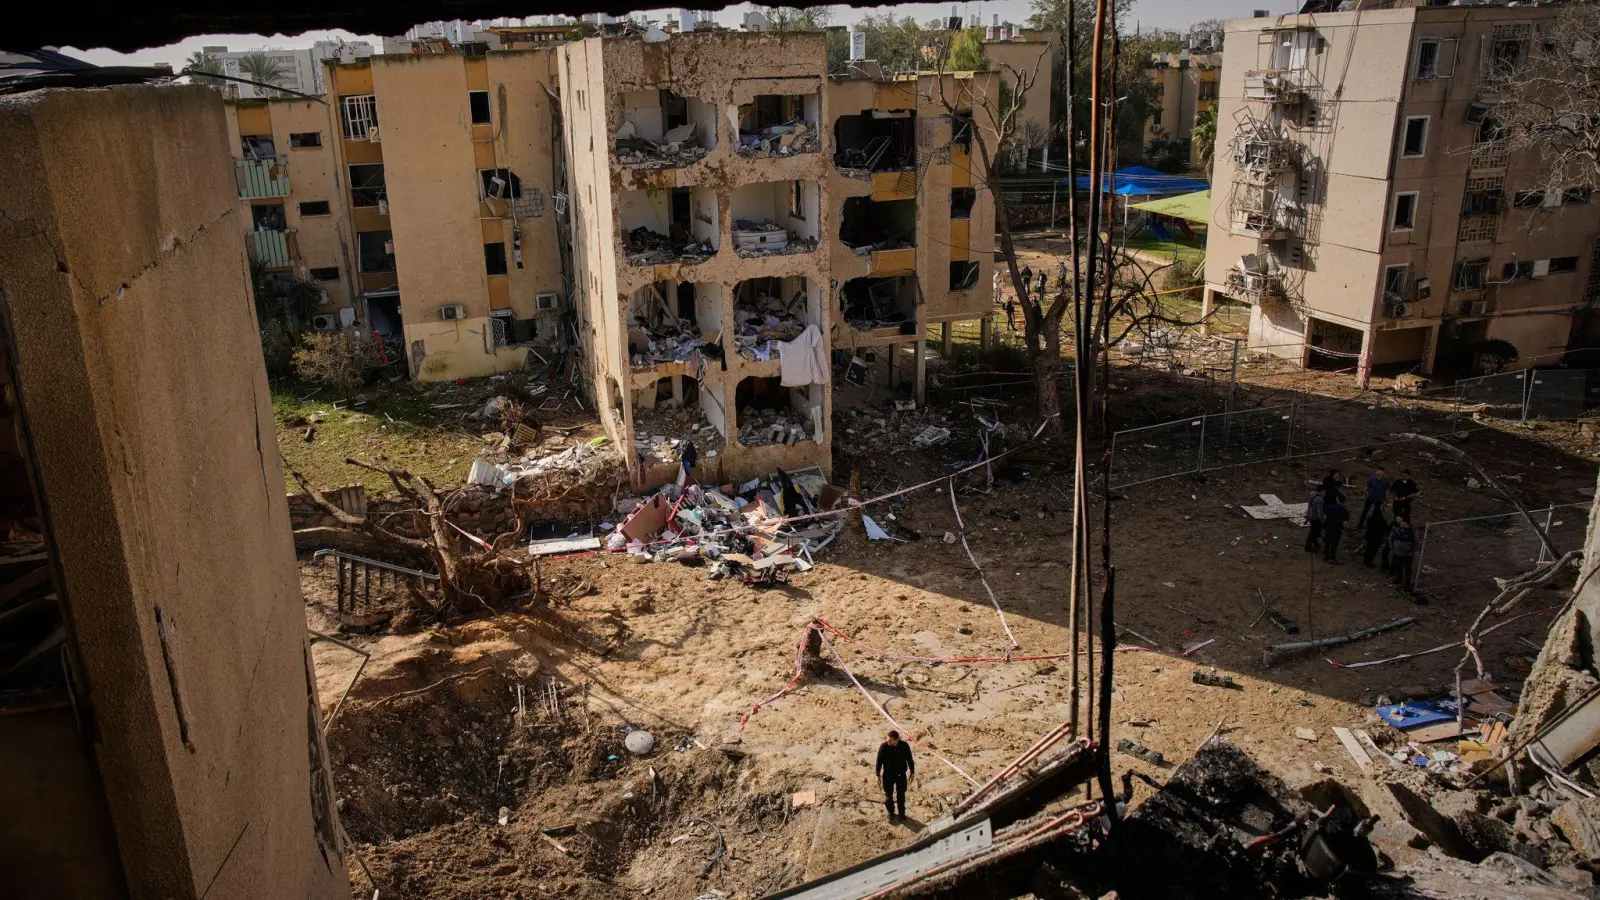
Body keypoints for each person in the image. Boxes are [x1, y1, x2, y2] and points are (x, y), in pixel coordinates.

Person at [876, 730, 915, 823]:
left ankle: (902, 815)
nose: (888, 741)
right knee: (888, 796)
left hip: (901, 775)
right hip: (888, 775)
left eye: (891, 739)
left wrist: (912, 772)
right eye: (888, 738)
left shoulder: (904, 746)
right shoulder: (884, 746)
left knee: (901, 796)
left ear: (896, 740)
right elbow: (879, 761)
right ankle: (891, 813)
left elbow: (910, 759)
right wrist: (878, 775)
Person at [1388, 517, 1417, 588]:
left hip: (1407, 555)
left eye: (1404, 524)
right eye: (1402, 524)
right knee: (1398, 567)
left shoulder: (1412, 533)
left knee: (1407, 569)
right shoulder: (1396, 531)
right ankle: (1398, 579)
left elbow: (1416, 544)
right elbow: (1390, 538)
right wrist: (1392, 547)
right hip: (1397, 554)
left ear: (1408, 525)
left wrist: (1411, 552)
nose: (1403, 526)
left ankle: (1407, 583)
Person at [1321, 493, 1350, 563]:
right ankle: (1331, 557)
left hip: (1329, 528)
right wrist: (1345, 529)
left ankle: (1325, 555)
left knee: (1327, 542)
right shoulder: (1345, 511)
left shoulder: (1330, 507)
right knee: (1334, 544)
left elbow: (1324, 517)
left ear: (1337, 500)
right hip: (1337, 529)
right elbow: (1345, 524)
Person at [1304, 485, 1325, 553]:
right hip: (1315, 518)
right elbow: (1319, 512)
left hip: (1310, 515)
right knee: (1313, 532)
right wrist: (1322, 519)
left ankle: (1315, 543)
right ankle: (1308, 546)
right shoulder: (1320, 500)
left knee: (1314, 531)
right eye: (1324, 491)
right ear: (1322, 491)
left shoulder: (1312, 493)